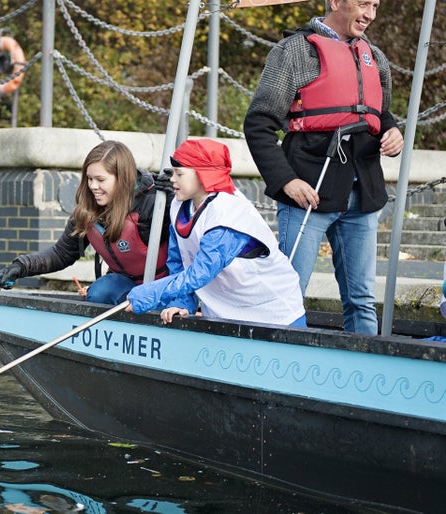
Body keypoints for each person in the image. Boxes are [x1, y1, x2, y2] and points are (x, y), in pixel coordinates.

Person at [243, 0, 404, 335]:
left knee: (361, 299)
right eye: (363, 4)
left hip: (363, 195)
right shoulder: (292, 52)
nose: (370, 14)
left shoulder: (375, 57)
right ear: (335, 2)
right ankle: (281, 369)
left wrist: (392, 131)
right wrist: (286, 181)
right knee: (289, 295)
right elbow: (258, 124)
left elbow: (380, 113)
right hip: (307, 193)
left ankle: (364, 376)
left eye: (374, 6)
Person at [125, 138, 306, 327]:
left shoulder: (226, 213)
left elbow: (200, 273)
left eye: (179, 174)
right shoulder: (179, 205)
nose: (172, 179)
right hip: (223, 310)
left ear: (203, 175)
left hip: (273, 311)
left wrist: (152, 293)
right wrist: (182, 302)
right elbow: (178, 260)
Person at [0, 140, 173, 304]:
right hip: (124, 286)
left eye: (100, 180)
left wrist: (177, 197)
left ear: (123, 179)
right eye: (89, 179)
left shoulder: (154, 203)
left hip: (166, 287)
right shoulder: (87, 212)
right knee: (100, 292)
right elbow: (61, 254)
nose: (93, 186)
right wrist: (20, 267)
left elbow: (192, 232)